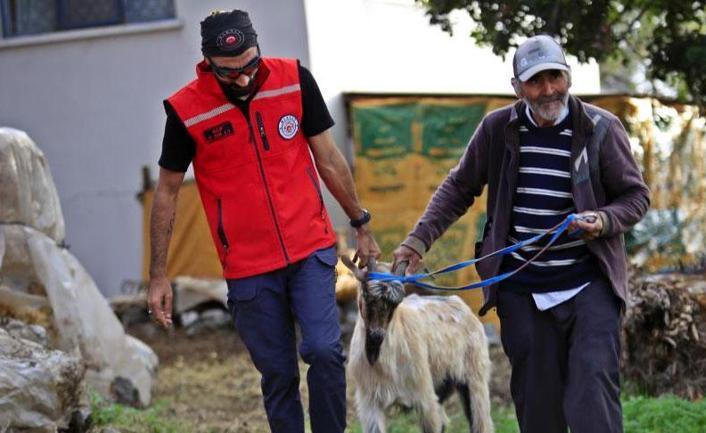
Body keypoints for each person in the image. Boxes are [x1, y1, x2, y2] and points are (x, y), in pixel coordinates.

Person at [392, 34, 650, 433]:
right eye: (535, 81)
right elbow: (460, 187)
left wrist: (603, 220)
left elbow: (635, 197)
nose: (548, 89)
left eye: (555, 77)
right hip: (523, 288)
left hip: (589, 282)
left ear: (568, 77)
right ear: (517, 88)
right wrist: (417, 241)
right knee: (538, 405)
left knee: (592, 395)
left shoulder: (600, 128)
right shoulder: (499, 129)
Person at [146, 9, 380, 433]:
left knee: (324, 351)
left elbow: (327, 157)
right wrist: (158, 274)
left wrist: (360, 223)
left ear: (259, 49)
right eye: (228, 72)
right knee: (278, 376)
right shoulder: (186, 111)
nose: (242, 78)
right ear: (208, 63)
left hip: (309, 248)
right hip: (249, 268)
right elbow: (165, 192)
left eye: (250, 65)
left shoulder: (293, 79)